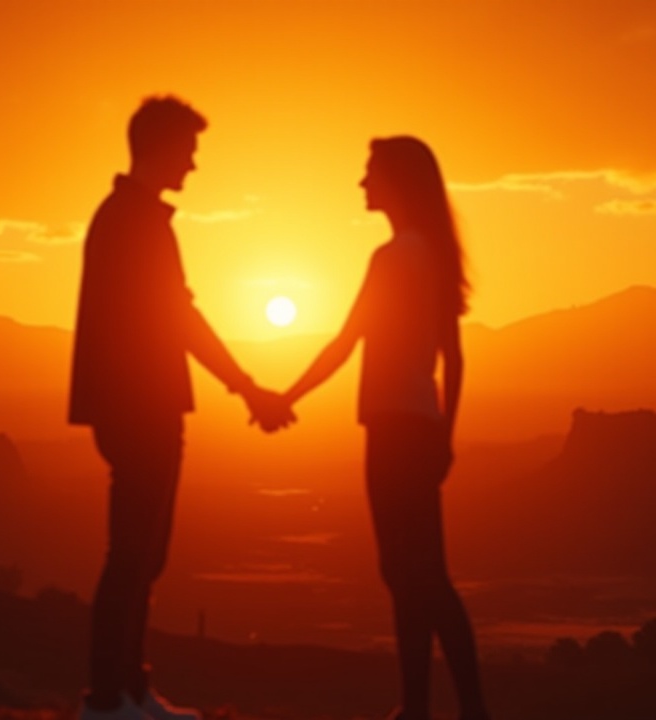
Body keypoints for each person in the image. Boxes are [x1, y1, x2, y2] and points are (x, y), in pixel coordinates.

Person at [69, 95, 294, 720]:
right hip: (139, 405)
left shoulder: (130, 218)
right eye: (189, 152)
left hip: (141, 403)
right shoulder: (134, 222)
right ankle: (109, 700)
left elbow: (175, 316)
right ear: (163, 149)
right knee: (132, 554)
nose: (193, 166)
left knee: (145, 555)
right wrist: (247, 387)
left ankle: (131, 691)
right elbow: (180, 318)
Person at [280, 136, 490, 720]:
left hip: (393, 431)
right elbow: (455, 359)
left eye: (370, 172)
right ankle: (434, 707)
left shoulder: (393, 257)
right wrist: (446, 436)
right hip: (420, 428)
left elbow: (345, 344)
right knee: (418, 575)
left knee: (411, 574)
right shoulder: (434, 256)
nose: (362, 183)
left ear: (396, 181)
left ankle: (442, 708)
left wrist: (284, 398)